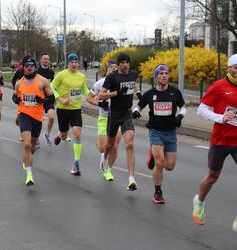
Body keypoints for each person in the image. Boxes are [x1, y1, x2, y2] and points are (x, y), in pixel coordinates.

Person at [192, 54, 237, 227]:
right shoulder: (219, 86)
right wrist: (221, 117)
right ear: (229, 68)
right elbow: (201, 111)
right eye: (236, 67)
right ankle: (199, 203)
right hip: (221, 140)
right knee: (212, 177)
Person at [133, 64, 186, 204]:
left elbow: (183, 107)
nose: (164, 76)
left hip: (171, 132)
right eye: (161, 73)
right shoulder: (150, 94)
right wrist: (136, 111)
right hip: (155, 131)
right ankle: (158, 192)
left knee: (169, 166)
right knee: (160, 162)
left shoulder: (175, 92)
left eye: (166, 73)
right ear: (156, 76)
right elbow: (138, 106)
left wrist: (179, 117)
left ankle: (152, 154)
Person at [98, 53, 139, 190]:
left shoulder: (133, 74)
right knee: (109, 145)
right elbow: (101, 95)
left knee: (130, 144)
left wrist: (138, 94)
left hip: (126, 114)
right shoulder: (112, 77)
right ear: (119, 64)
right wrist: (116, 93)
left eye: (127, 62)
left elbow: (134, 85)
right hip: (114, 114)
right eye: (122, 62)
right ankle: (104, 157)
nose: (125, 64)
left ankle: (131, 179)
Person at [12, 58, 54, 186]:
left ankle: (28, 159)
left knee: (33, 147)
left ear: (35, 67)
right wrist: (15, 99)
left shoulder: (42, 81)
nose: (29, 67)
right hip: (24, 115)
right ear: (23, 68)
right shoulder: (19, 83)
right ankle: (29, 175)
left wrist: (42, 101)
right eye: (26, 66)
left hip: (37, 117)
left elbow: (52, 97)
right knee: (26, 145)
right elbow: (15, 96)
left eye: (31, 65)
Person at [50, 53, 89, 176]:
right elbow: (52, 87)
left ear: (78, 63)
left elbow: (85, 90)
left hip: (76, 109)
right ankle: (59, 134)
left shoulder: (81, 76)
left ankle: (76, 163)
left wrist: (93, 95)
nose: (74, 64)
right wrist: (60, 99)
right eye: (71, 62)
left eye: (75, 62)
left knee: (77, 134)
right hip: (62, 109)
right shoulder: (61, 75)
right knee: (63, 135)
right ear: (67, 63)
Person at [87, 60, 121, 181]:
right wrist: (99, 104)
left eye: (116, 67)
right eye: (111, 66)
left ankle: (108, 170)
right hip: (104, 118)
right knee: (103, 147)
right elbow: (89, 98)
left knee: (115, 146)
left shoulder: (121, 83)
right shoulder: (100, 83)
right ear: (107, 69)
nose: (113, 68)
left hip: (117, 118)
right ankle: (103, 154)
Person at [36, 52, 55, 147]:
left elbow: (53, 86)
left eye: (47, 59)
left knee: (51, 117)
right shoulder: (36, 72)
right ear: (41, 60)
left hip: (48, 98)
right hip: (38, 99)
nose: (46, 60)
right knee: (38, 120)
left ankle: (47, 134)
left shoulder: (51, 72)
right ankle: (36, 138)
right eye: (44, 58)